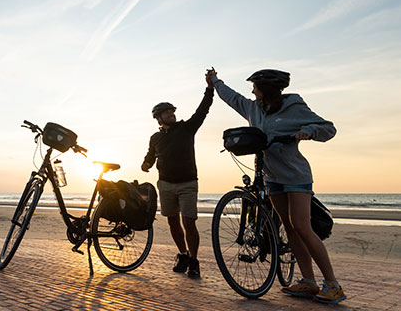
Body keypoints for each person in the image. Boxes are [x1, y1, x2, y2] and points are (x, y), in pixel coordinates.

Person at [206, 68, 345, 304]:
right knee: (289, 230)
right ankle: (308, 282)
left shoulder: (294, 108)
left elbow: (328, 128)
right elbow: (232, 98)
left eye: (256, 87)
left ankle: (333, 284)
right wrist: (215, 81)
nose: (252, 91)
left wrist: (307, 131)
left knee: (301, 226)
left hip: (295, 175)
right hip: (271, 177)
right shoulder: (253, 108)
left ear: (266, 89)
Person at [141, 78, 213, 278]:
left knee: (189, 222)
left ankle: (195, 261)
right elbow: (150, 155)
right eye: (167, 112)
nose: (172, 114)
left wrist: (209, 89)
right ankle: (183, 254)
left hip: (188, 183)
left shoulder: (186, 128)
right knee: (172, 221)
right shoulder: (155, 138)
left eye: (173, 111)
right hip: (165, 184)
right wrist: (146, 164)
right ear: (158, 118)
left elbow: (202, 111)